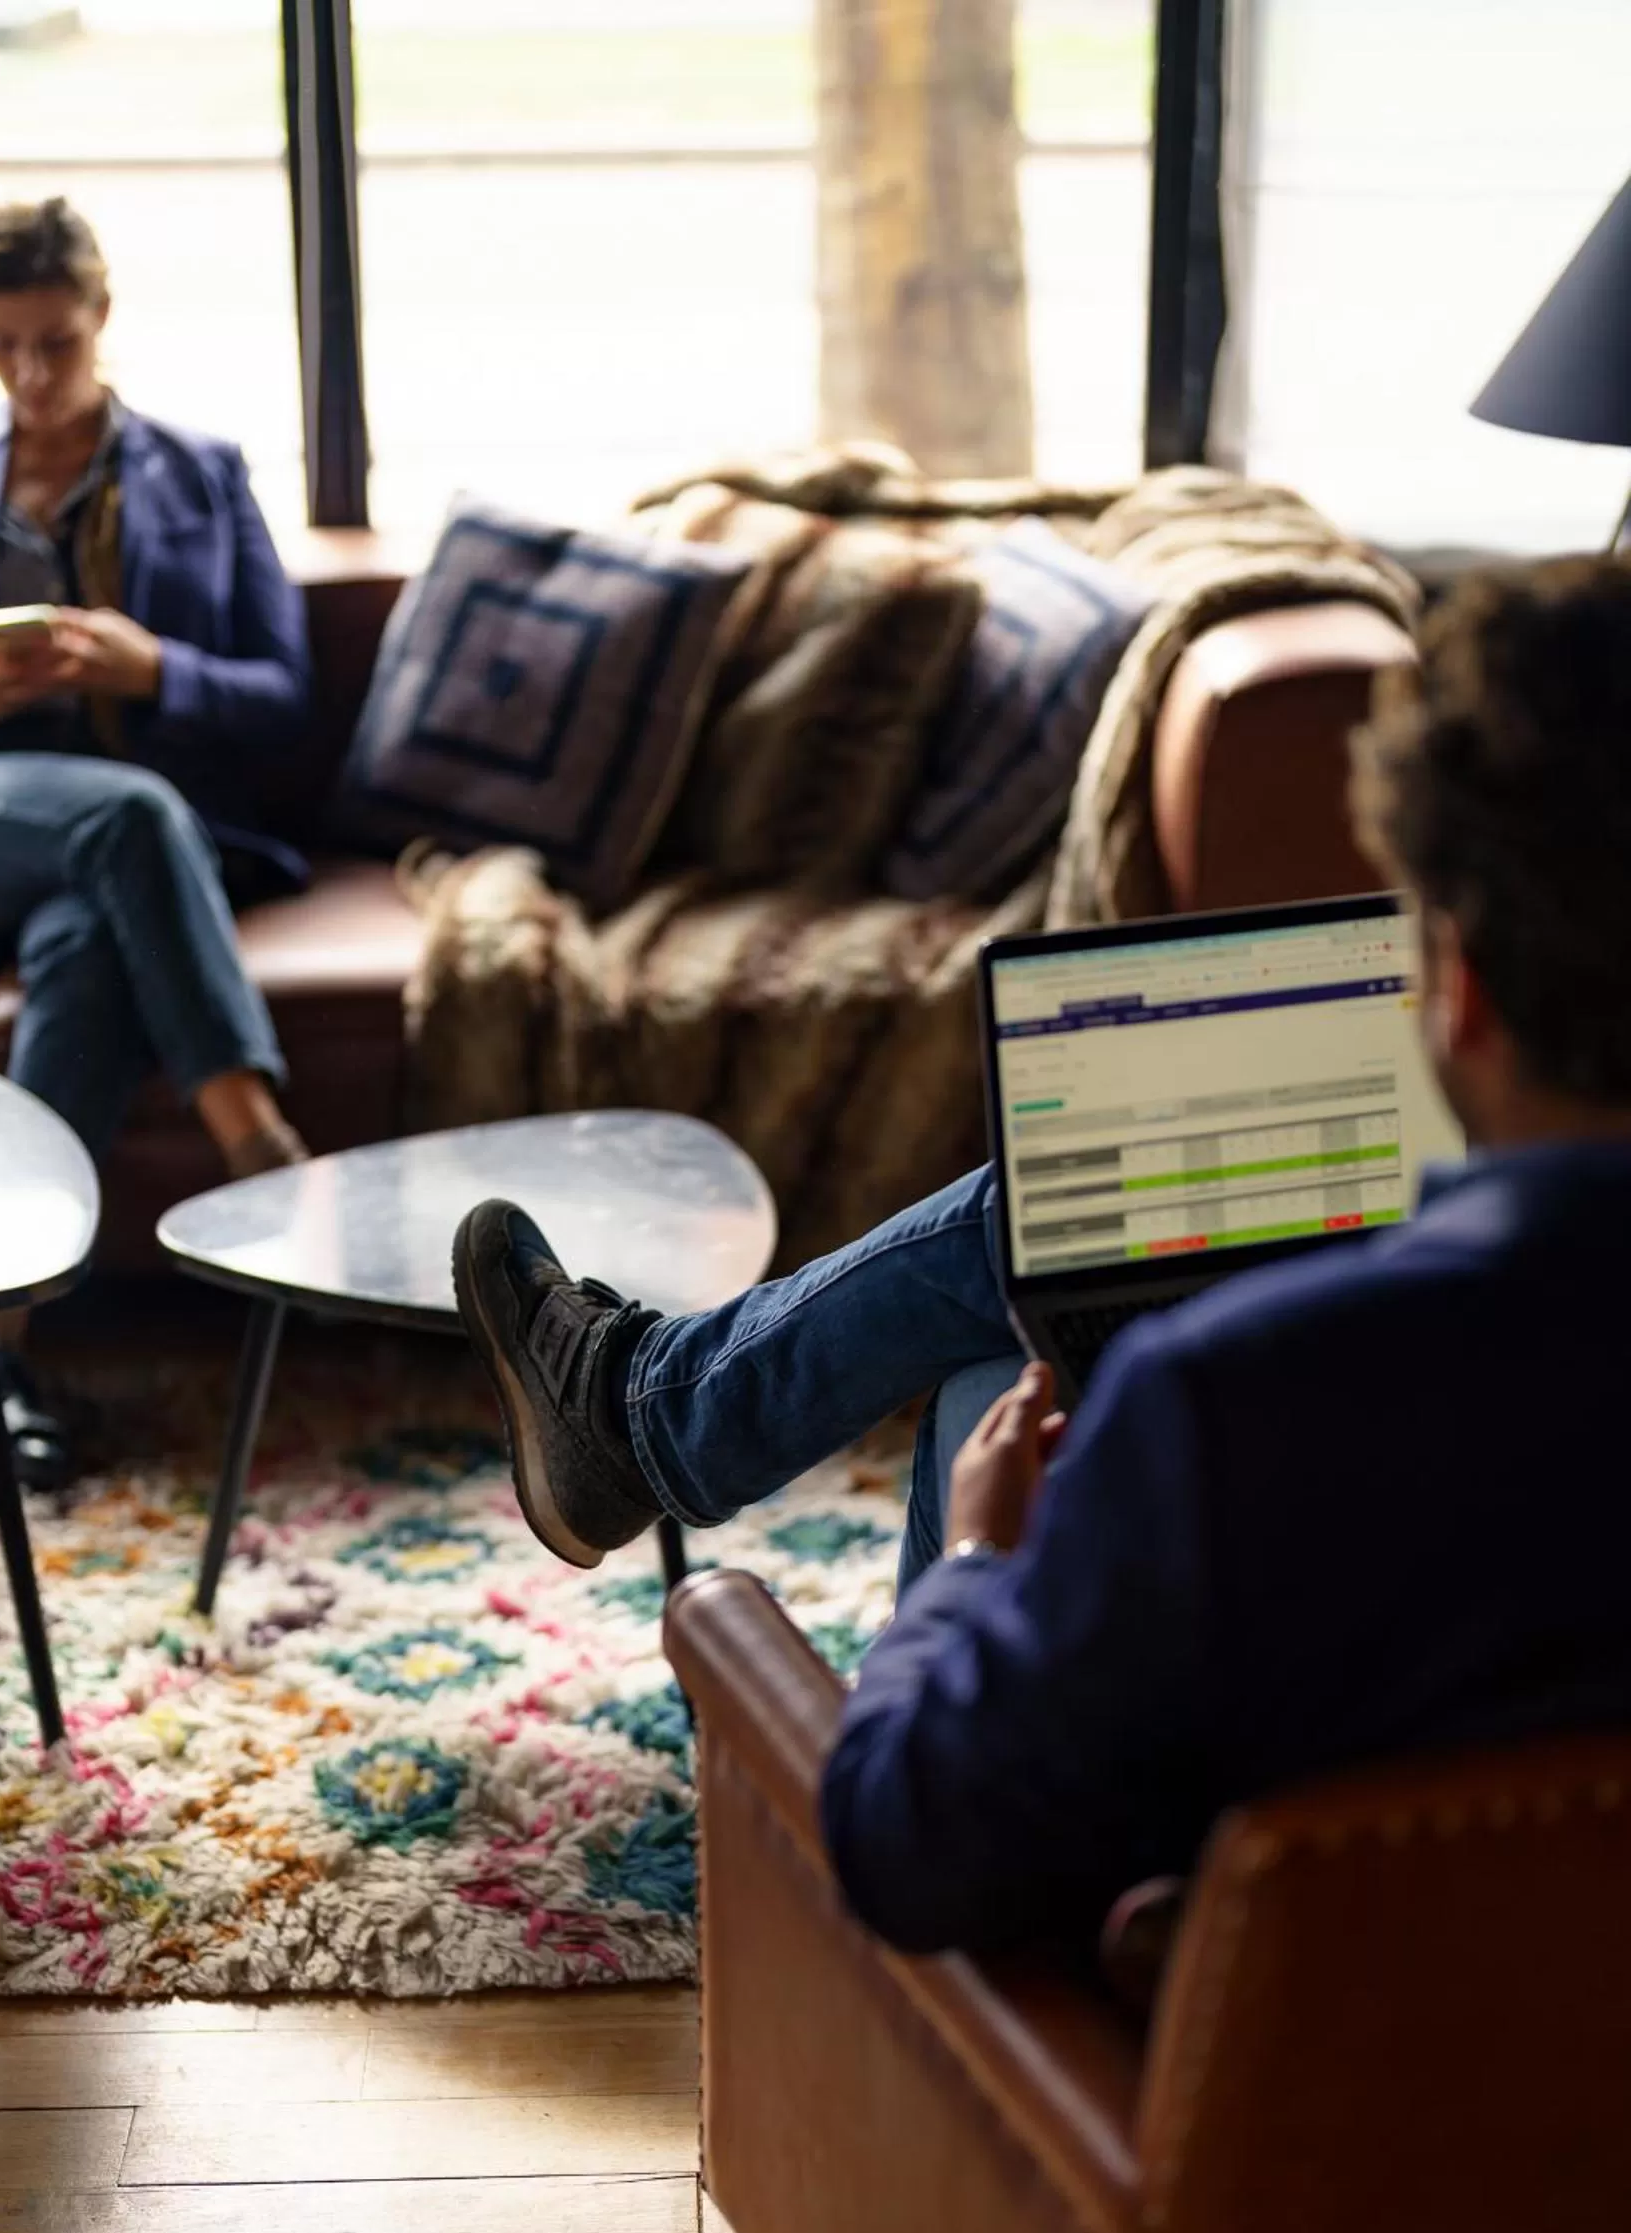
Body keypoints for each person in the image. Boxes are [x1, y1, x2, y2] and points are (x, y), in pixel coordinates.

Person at [454, 555, 1631, 1963]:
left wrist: (973, 1562)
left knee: (1021, 1337)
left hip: (1260, 2101)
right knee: (1038, 1289)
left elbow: (912, 1849)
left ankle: (650, 1420)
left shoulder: (1224, 1407)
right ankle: (654, 1412)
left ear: (1466, 997)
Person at [0, 199, 312, 1488]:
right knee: (127, 815)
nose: (34, 375)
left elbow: (284, 693)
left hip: (121, 841)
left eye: (55, 341)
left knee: (97, 936)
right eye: (5, 348)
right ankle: (257, 1141)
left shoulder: (203, 470)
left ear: (100, 315)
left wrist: (157, 669)